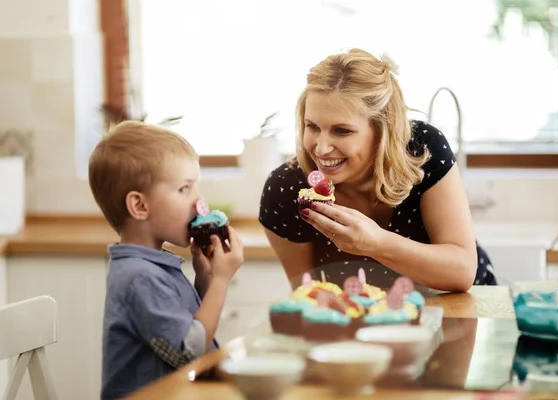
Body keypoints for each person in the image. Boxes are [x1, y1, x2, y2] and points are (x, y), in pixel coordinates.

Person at [259, 48, 496, 292]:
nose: (321, 148)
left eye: (342, 130)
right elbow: (309, 295)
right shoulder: (286, 188)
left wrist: (376, 243)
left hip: (463, 309)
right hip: (366, 323)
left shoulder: (422, 149)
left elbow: (462, 272)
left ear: (383, 130)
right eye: (312, 126)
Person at [89, 121, 244, 399]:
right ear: (139, 206)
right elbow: (189, 352)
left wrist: (206, 281)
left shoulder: (153, 264)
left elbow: (185, 329)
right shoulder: (139, 276)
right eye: (185, 189)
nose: (200, 201)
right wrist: (221, 281)